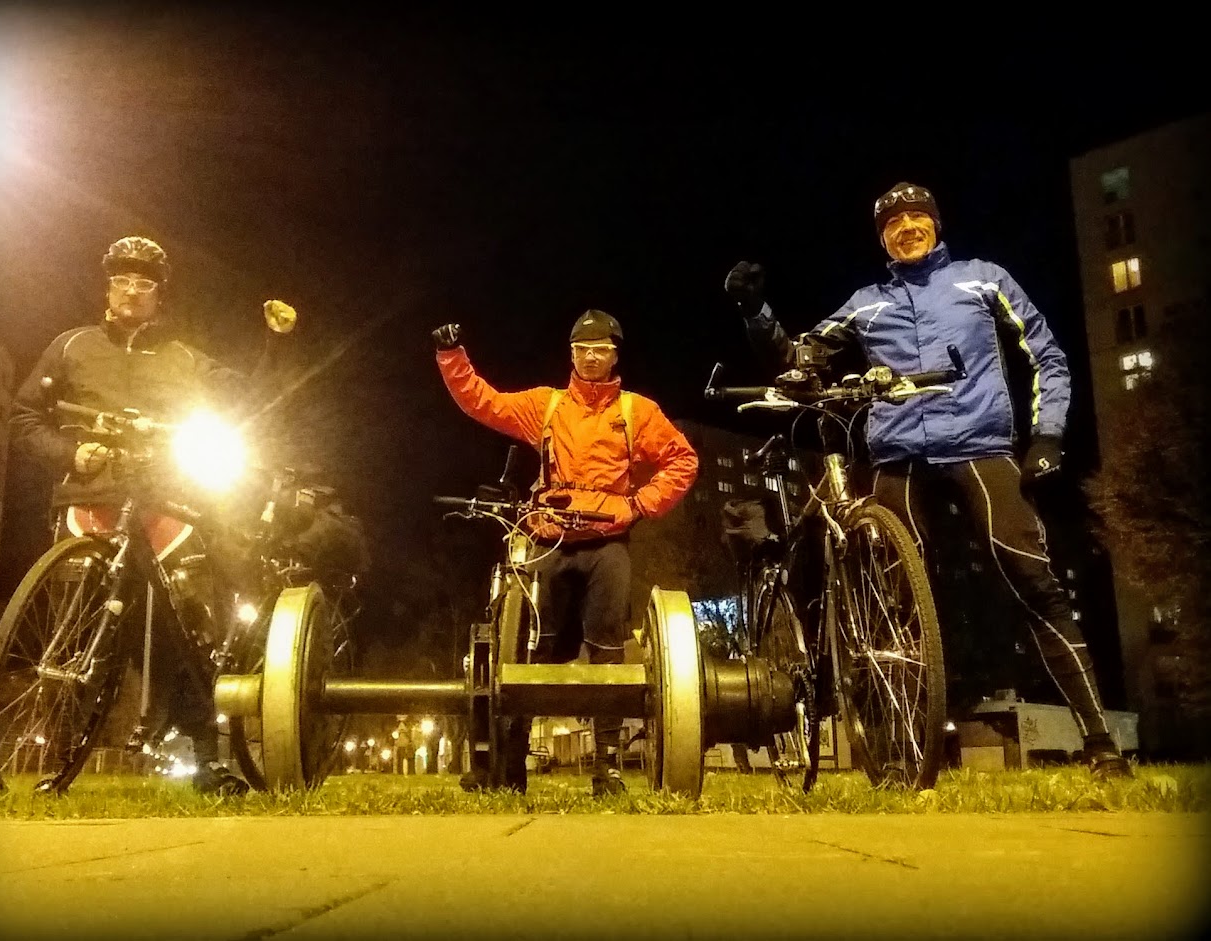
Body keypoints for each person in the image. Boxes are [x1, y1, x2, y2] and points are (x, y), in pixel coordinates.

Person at [723, 182, 1133, 780]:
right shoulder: (866, 303)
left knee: (1031, 578)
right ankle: (902, 754)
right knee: (891, 606)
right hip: (898, 458)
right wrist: (756, 313)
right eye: (894, 222)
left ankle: (1101, 746)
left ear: (937, 225)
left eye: (918, 217)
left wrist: (1047, 436)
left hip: (979, 447)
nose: (907, 227)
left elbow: (1047, 356)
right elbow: (799, 359)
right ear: (882, 237)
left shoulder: (983, 279)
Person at [9, 235, 252, 796]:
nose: (132, 290)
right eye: (122, 279)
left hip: (167, 508)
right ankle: (60, 757)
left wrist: (273, 349)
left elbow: (243, 392)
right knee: (77, 635)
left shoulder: (183, 357)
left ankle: (207, 758)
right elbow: (24, 418)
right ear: (108, 287)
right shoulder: (71, 346)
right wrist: (71, 453)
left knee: (185, 633)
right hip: (88, 506)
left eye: (145, 282)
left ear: (159, 295)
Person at [431, 311, 699, 795]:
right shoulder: (547, 405)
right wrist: (452, 356)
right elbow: (482, 402)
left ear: (614, 355)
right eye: (582, 349)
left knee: (608, 650)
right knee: (531, 649)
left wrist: (639, 505)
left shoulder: (637, 412)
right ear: (571, 354)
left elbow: (683, 460)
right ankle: (510, 763)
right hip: (549, 539)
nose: (591, 357)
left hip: (606, 543)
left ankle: (606, 768)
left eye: (601, 349)